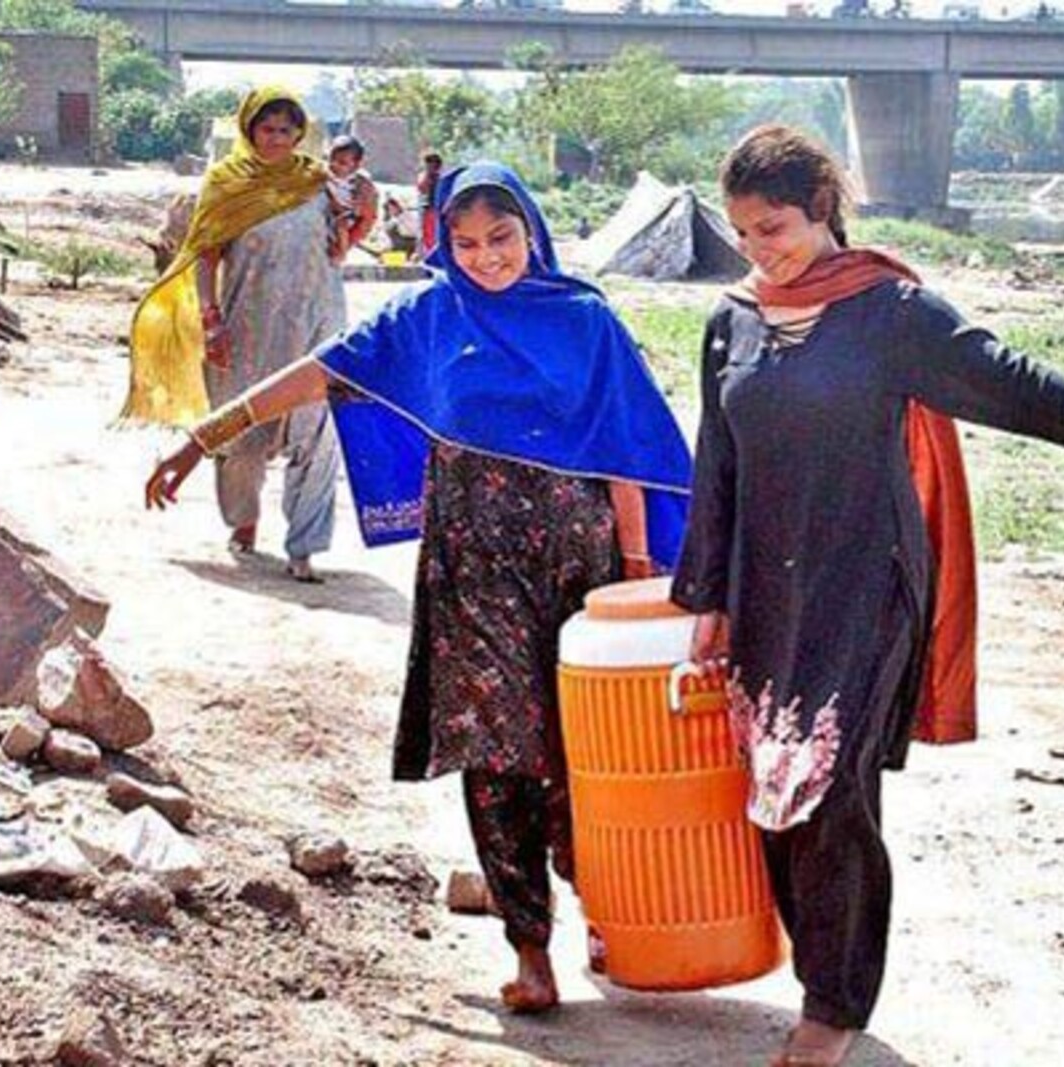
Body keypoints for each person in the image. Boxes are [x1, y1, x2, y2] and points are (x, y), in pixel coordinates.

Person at [671, 125, 1064, 1067]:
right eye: (746, 233)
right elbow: (717, 466)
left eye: (777, 228)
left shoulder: (889, 312)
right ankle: (822, 967)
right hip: (768, 586)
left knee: (833, 787)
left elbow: (1013, 381)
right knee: (773, 781)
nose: (763, 250)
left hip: (867, 579)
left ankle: (832, 1005)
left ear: (823, 209)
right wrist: (708, 599)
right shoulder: (734, 320)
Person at [145, 162, 693, 1014]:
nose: (484, 258)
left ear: (532, 231)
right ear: (442, 241)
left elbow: (622, 445)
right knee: (497, 750)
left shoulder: (584, 320)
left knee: (589, 749)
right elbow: (320, 373)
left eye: (501, 238)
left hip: (579, 571)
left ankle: (607, 907)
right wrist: (205, 435)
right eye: (465, 242)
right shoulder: (430, 315)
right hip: (472, 573)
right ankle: (528, 944)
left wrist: (635, 566)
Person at [121, 87, 345, 583]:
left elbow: (339, 247)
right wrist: (210, 316)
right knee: (241, 431)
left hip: (316, 321)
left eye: (287, 130)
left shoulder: (316, 182)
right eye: (268, 129)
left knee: (315, 433)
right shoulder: (227, 185)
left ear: (299, 134)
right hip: (250, 322)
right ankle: (244, 520)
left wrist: (358, 216)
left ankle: (304, 546)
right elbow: (206, 254)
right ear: (249, 130)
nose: (278, 139)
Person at [326, 134, 379, 255]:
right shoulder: (319, 177)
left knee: (341, 227)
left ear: (355, 165)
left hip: (345, 222)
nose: (334, 165)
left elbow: (366, 220)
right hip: (321, 224)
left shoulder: (363, 187)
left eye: (342, 162)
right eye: (331, 159)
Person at [416, 151, 444, 259]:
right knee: (426, 237)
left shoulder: (437, 179)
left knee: (432, 237)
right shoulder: (427, 177)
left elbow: (422, 187)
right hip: (428, 210)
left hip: (434, 211)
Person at [381, 195, 419, 259]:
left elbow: (414, 232)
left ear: (397, 207)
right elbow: (388, 239)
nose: (392, 211)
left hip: (409, 247)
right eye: (389, 209)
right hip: (397, 248)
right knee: (383, 259)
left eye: (393, 208)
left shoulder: (406, 215)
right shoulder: (392, 220)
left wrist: (400, 219)